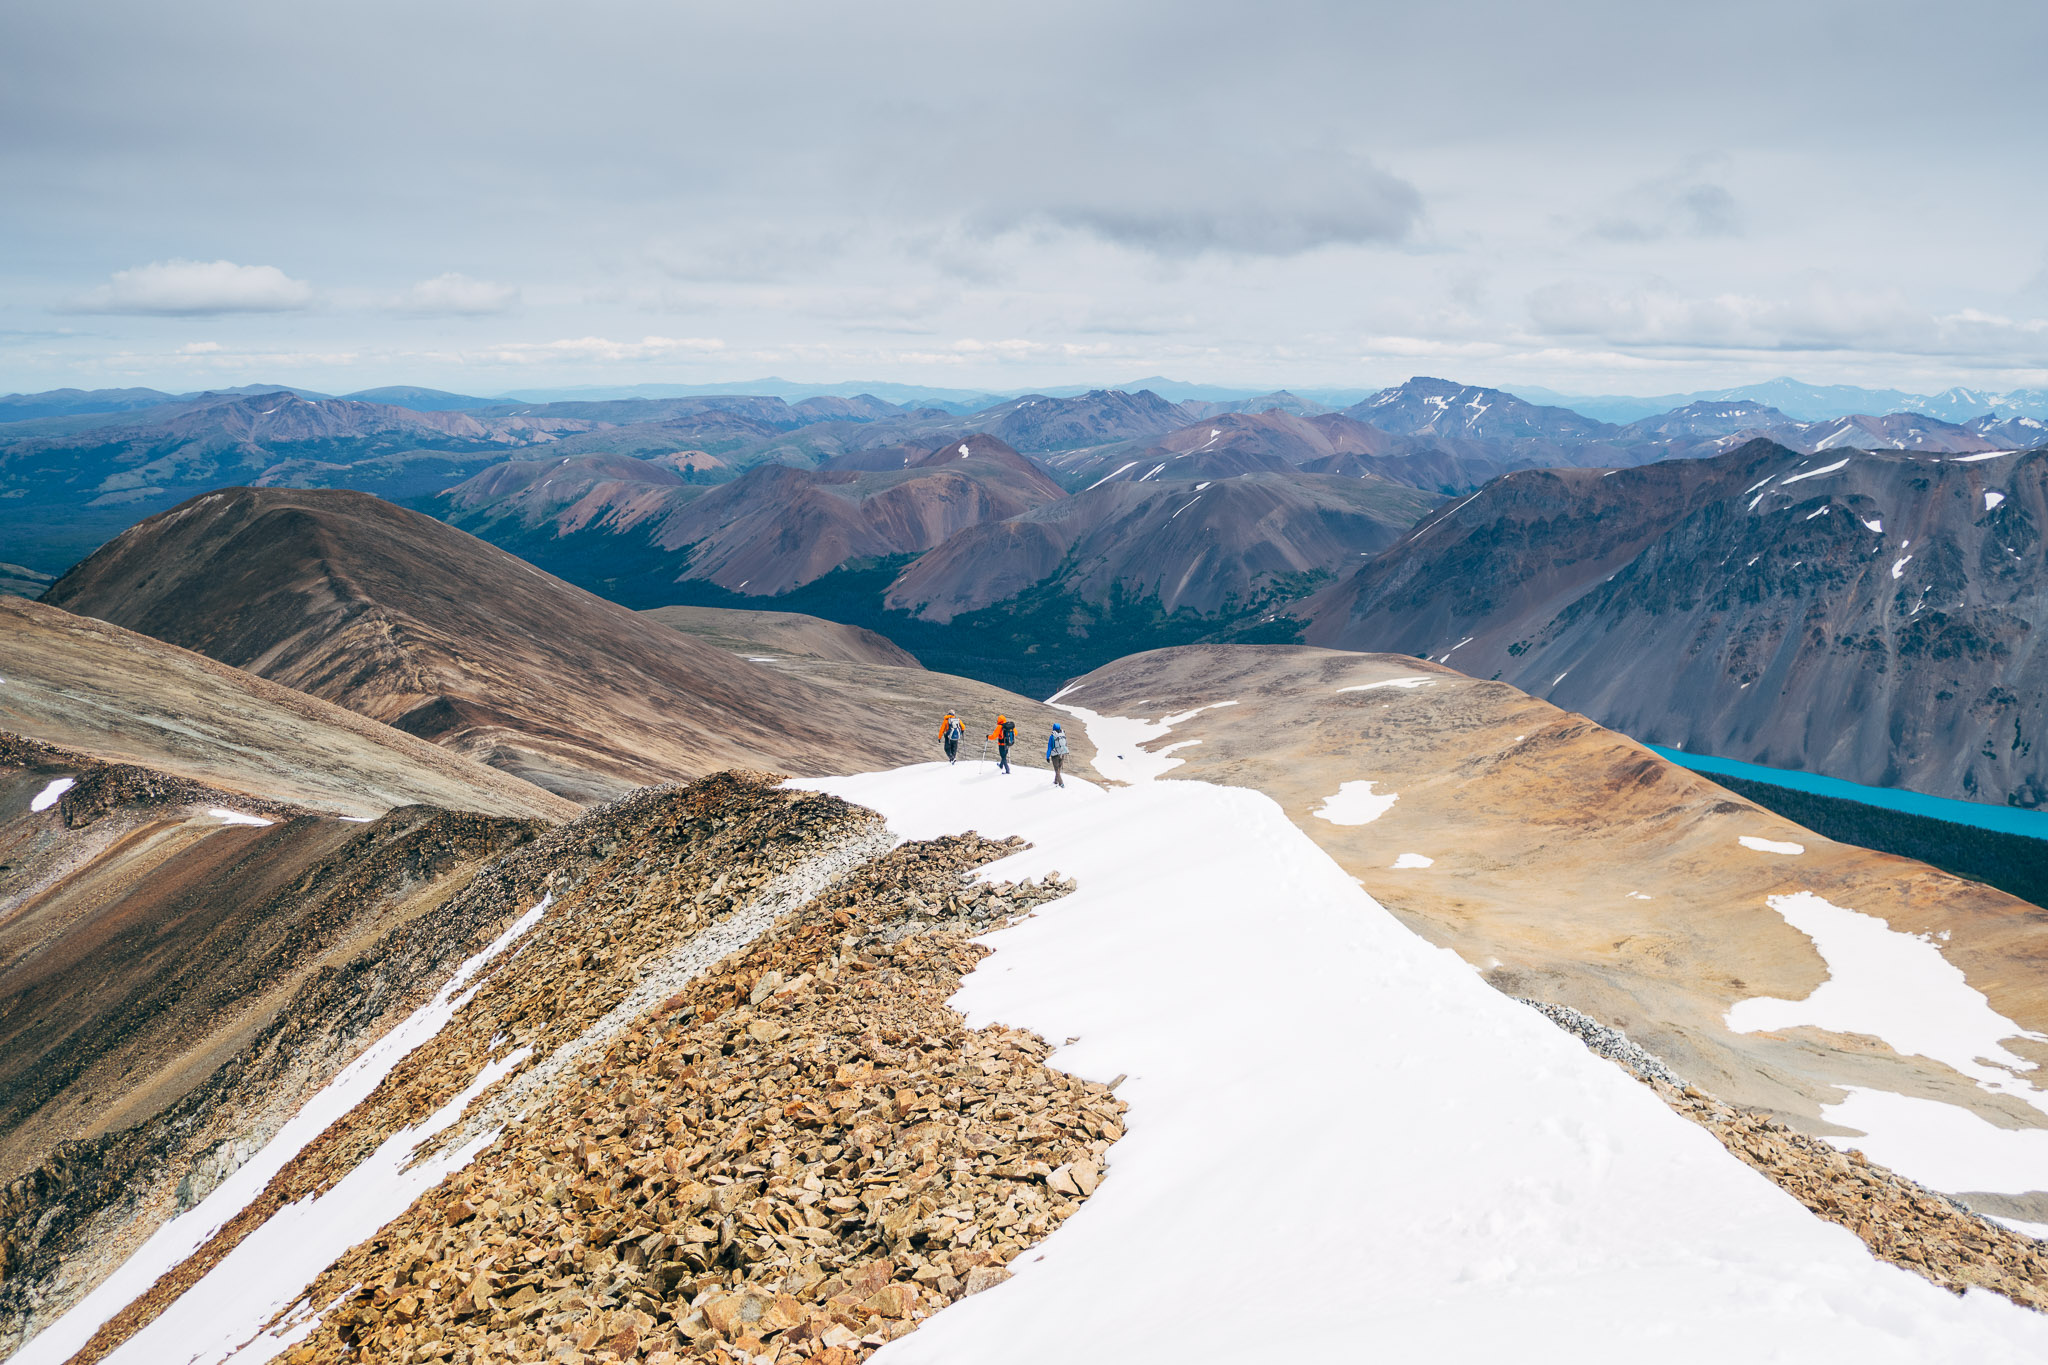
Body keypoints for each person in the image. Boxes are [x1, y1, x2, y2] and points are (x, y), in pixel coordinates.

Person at [1046, 722, 1068, 787]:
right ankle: (1056, 781)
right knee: (1059, 768)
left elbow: (1049, 747)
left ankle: (1061, 783)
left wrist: (1047, 756)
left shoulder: (1052, 736)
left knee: (1056, 770)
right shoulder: (1062, 735)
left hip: (1055, 755)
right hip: (1062, 753)